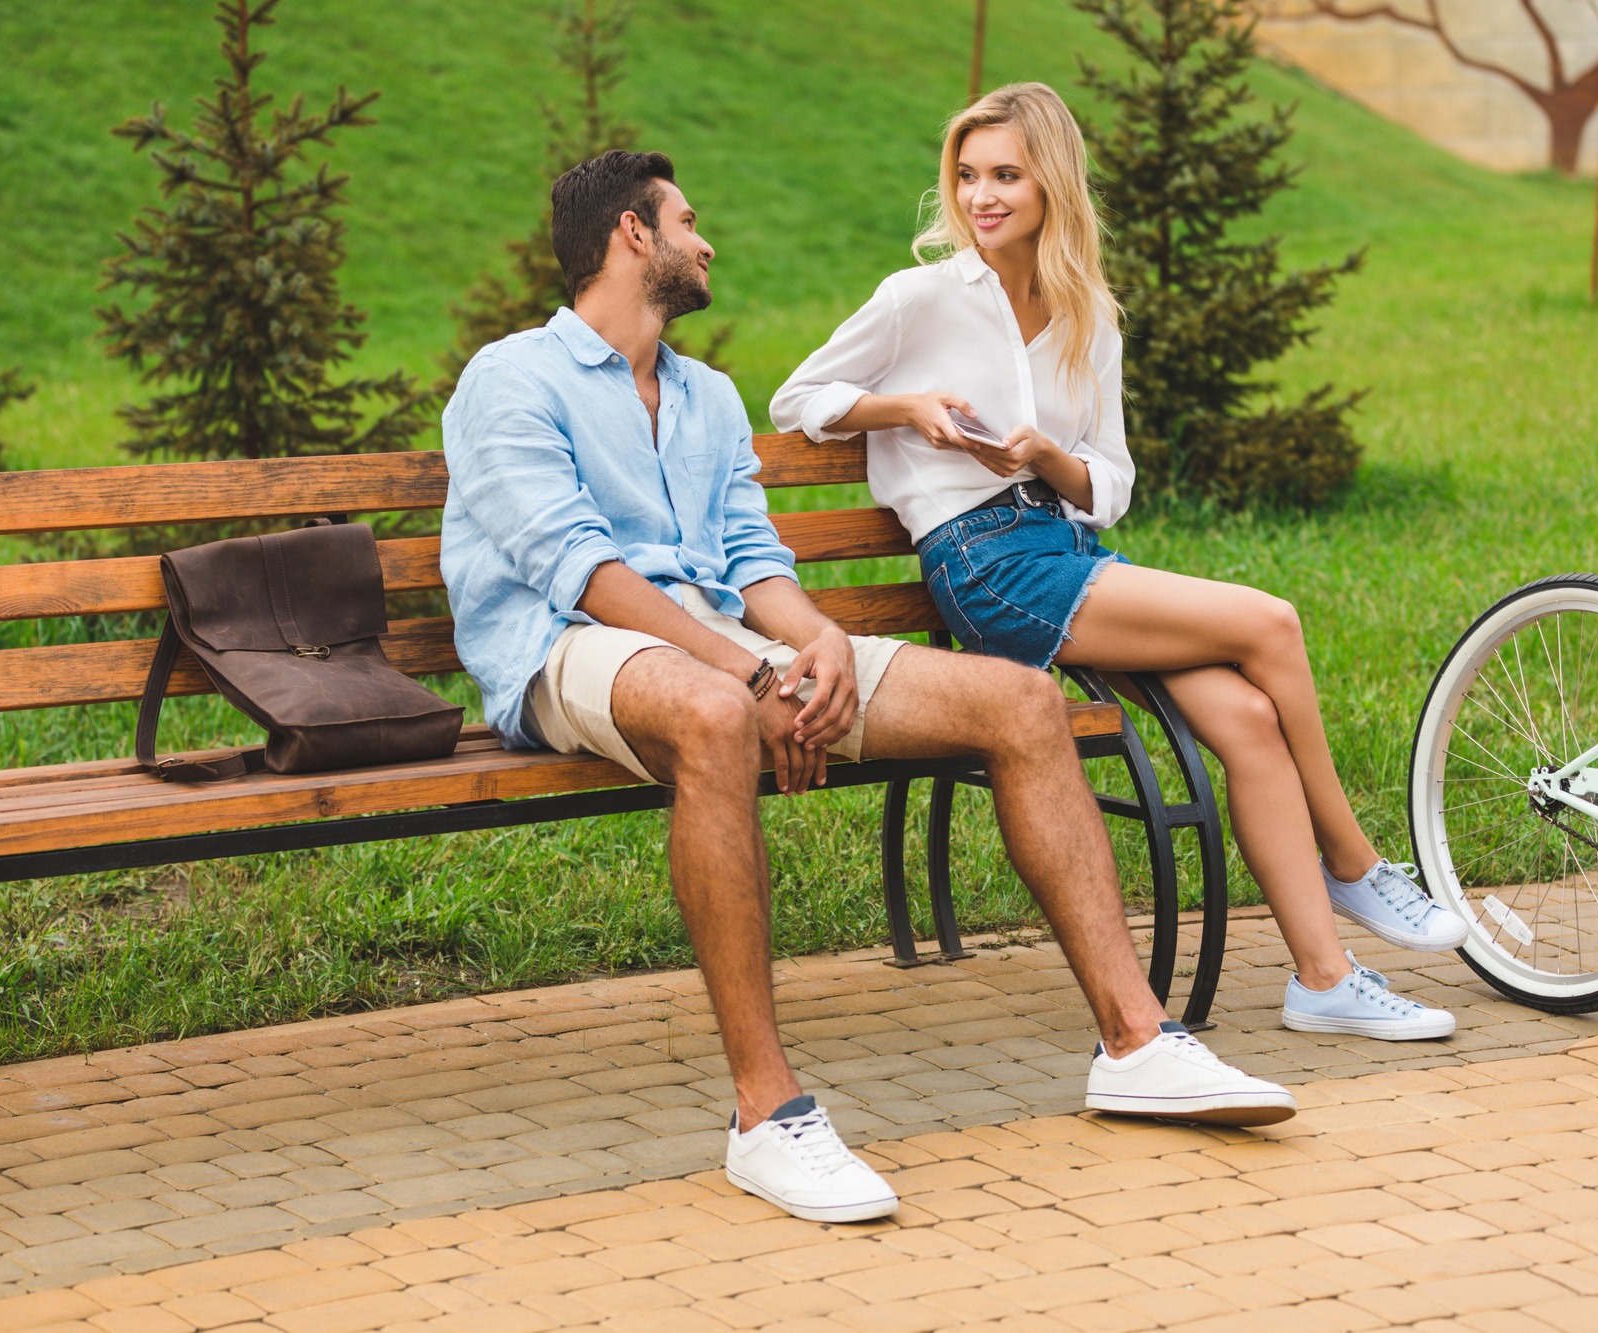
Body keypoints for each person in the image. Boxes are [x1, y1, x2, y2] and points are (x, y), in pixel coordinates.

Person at [442, 149, 1302, 1226]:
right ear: (631, 235)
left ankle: (1134, 1042)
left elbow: (752, 562)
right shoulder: (510, 378)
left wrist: (822, 645)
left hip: (716, 644)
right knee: (715, 715)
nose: (705, 242)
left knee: (1018, 702)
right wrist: (750, 670)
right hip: (568, 648)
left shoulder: (705, 395)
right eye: (687, 221)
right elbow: (580, 571)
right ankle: (767, 1116)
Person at [771, 84, 1466, 1048]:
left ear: (1051, 181)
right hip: (985, 567)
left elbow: (1111, 481)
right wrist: (911, 408)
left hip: (1066, 548)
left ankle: (1325, 978)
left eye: (1006, 175)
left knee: (1248, 717)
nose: (982, 196)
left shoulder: (1088, 317)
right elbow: (796, 396)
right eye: (968, 176)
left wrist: (1042, 457)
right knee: (1272, 622)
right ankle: (1353, 857)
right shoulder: (920, 297)